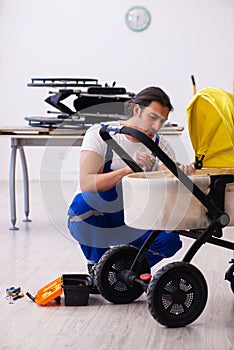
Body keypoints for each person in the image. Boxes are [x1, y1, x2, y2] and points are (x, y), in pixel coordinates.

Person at [67, 86, 194, 279]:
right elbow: (87, 183)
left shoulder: (161, 147)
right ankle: (99, 268)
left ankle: (127, 269)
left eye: (162, 121)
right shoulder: (101, 135)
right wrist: (129, 169)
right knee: (81, 208)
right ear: (136, 110)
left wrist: (176, 175)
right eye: (153, 117)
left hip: (136, 219)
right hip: (101, 217)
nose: (157, 127)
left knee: (170, 240)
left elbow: (166, 202)